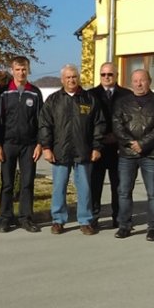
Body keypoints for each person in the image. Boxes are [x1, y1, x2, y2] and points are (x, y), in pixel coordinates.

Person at [38, 64, 104, 235]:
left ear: (78, 78)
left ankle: (85, 220)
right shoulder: (53, 100)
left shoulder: (89, 99)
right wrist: (46, 147)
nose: (71, 80)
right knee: (59, 187)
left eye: (74, 76)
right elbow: (45, 124)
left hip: (83, 151)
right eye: (67, 77)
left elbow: (99, 124)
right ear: (62, 80)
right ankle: (58, 220)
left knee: (84, 187)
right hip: (60, 151)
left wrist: (97, 147)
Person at [112, 69, 154, 241]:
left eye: (142, 80)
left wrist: (143, 144)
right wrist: (130, 143)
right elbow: (117, 124)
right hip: (126, 153)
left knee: (153, 192)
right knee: (124, 191)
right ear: (131, 82)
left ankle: (153, 228)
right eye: (135, 80)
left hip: (150, 154)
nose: (139, 84)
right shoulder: (122, 102)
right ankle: (124, 225)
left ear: (149, 81)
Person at [0, 55, 43, 233]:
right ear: (12, 70)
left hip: (29, 145)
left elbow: (40, 121)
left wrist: (39, 144)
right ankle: (6, 218)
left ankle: (25, 218)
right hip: (8, 144)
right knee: (7, 183)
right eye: (17, 69)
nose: (21, 72)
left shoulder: (35, 92)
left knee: (27, 183)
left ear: (28, 70)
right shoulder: (4, 92)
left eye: (24, 69)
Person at [89, 62, 129, 230]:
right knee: (95, 185)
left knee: (118, 186)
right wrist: (95, 142)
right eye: (103, 74)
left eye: (110, 74)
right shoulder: (90, 94)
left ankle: (118, 218)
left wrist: (120, 138)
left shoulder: (127, 95)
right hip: (97, 147)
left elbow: (130, 120)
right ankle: (93, 217)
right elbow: (87, 121)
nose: (106, 77)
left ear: (117, 75)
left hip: (118, 148)